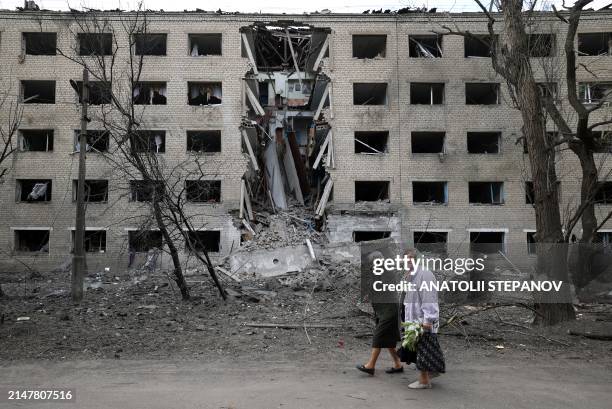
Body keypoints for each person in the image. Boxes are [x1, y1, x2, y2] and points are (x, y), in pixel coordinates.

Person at [402, 248, 445, 389]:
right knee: (422, 349)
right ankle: (431, 371)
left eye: (410, 259)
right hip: (415, 319)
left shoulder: (425, 275)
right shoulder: (413, 275)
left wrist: (428, 320)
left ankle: (424, 381)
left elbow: (429, 298)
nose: (406, 262)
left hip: (423, 320)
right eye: (405, 260)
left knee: (423, 350)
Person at [356, 251, 403, 376]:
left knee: (378, 335)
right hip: (382, 310)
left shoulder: (387, 272)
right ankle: (398, 364)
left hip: (389, 310)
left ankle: (370, 366)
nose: (371, 266)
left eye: (373, 263)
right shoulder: (378, 272)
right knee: (388, 339)